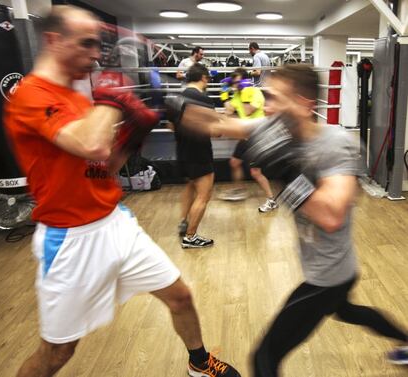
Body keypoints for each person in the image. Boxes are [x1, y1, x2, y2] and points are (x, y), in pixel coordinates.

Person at [3, 6, 240, 377]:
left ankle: (198, 363)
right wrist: (114, 99)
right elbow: (90, 144)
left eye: (99, 46)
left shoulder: (76, 98)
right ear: (53, 40)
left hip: (115, 224)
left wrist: (132, 138)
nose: (96, 55)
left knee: (180, 296)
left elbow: (101, 168)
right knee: (58, 352)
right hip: (70, 240)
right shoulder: (31, 95)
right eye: (87, 44)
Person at [174, 64, 408, 376]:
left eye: (274, 98)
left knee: (264, 359)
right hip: (333, 266)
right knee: (348, 312)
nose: (266, 105)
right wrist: (179, 106)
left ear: (304, 103)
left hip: (328, 276)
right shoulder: (275, 128)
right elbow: (218, 124)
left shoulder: (335, 144)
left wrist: (286, 171)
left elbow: (332, 217)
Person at [219, 68, 277, 212]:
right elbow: (228, 110)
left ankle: (271, 200)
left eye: (239, 82)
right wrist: (225, 93)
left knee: (255, 172)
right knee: (234, 162)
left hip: (258, 135)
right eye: (234, 82)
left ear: (245, 81)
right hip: (246, 136)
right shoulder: (238, 94)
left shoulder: (255, 92)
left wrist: (244, 93)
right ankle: (239, 189)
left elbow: (247, 111)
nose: (236, 85)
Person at [173, 63, 215, 248]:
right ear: (204, 78)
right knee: (203, 196)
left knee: (190, 187)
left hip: (181, 150)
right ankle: (190, 237)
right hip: (200, 151)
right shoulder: (203, 99)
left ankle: (184, 220)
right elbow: (216, 131)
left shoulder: (175, 98)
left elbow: (171, 127)